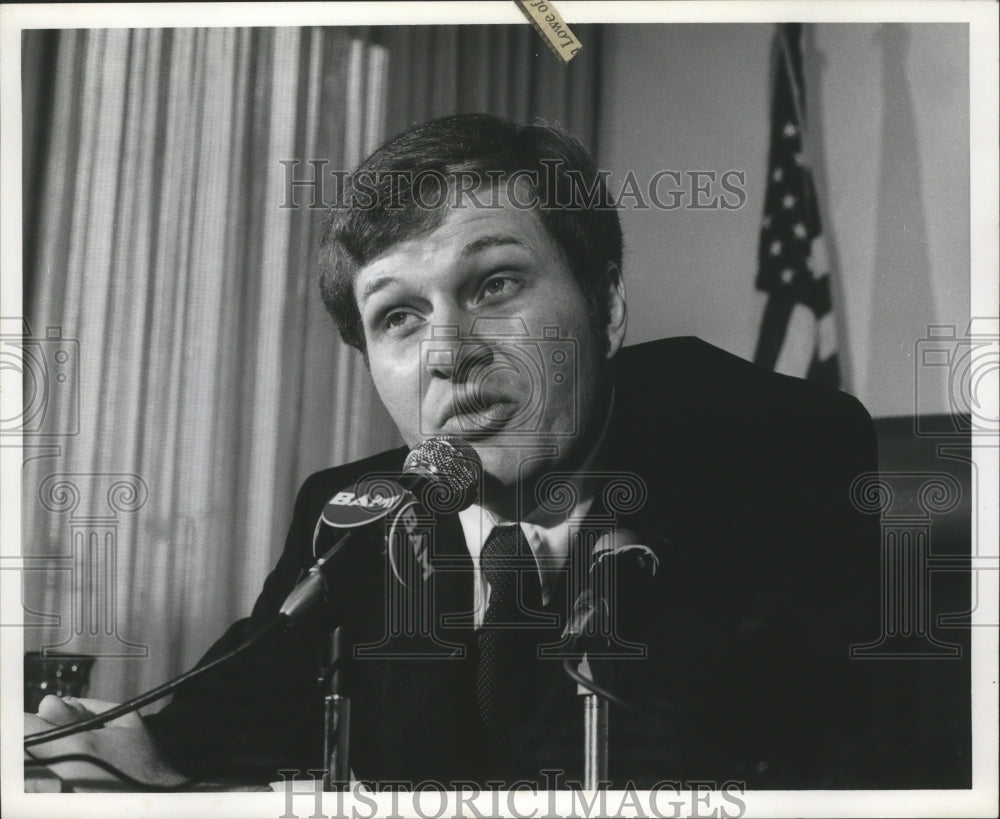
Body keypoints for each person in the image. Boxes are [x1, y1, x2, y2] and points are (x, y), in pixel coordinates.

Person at [26, 113, 892, 790]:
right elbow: (246, 705)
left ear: (607, 306)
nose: (449, 351)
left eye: (495, 284)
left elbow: (739, 748)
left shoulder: (766, 444)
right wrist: (143, 743)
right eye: (399, 315)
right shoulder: (358, 509)